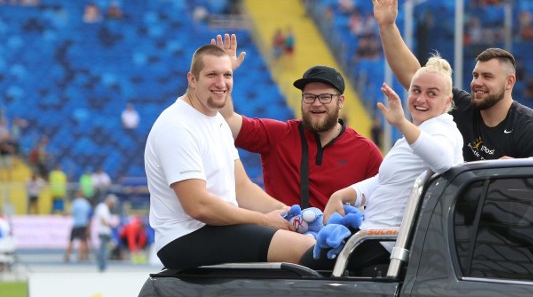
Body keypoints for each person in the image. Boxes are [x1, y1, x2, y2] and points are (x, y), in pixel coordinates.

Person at [144, 44, 314, 269]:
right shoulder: (176, 126)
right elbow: (198, 206)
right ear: (192, 79)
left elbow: (242, 188)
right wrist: (264, 220)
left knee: (312, 238)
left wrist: (288, 213)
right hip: (184, 238)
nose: (221, 83)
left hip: (217, 229)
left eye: (227, 75)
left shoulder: (217, 122)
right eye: (211, 74)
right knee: (304, 248)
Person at [304, 55, 464, 273]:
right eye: (416, 90)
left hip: (383, 243)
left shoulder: (443, 129)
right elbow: (384, 179)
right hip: (371, 237)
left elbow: (443, 161)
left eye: (431, 94)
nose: (420, 99)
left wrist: (401, 123)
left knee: (301, 269)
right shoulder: (421, 132)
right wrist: (345, 194)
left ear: (447, 102)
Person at [371, 0, 533, 161]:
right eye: (475, 75)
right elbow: (413, 76)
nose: (477, 82)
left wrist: (514, 172)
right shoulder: (460, 107)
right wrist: (387, 26)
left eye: (487, 76)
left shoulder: (529, 128)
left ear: (509, 82)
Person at [214, 34, 383, 209]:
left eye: (325, 97)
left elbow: (387, 201)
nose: (316, 103)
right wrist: (223, 76)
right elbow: (227, 120)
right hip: (282, 233)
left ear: (341, 101)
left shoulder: (366, 152)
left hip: (340, 236)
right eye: (309, 97)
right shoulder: (278, 135)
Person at [92, 194, 118, 272]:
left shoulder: (104, 207)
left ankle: (102, 265)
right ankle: (102, 266)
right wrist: (111, 224)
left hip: (105, 231)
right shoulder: (102, 207)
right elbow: (103, 220)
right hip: (103, 231)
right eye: (112, 203)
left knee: (105, 249)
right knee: (103, 250)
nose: (112, 205)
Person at [64, 190, 91, 262]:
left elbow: (71, 212)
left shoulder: (75, 203)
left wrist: (64, 214)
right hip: (84, 224)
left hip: (76, 224)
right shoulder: (86, 203)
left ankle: (67, 255)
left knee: (71, 241)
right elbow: (89, 215)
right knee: (83, 241)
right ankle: (81, 256)